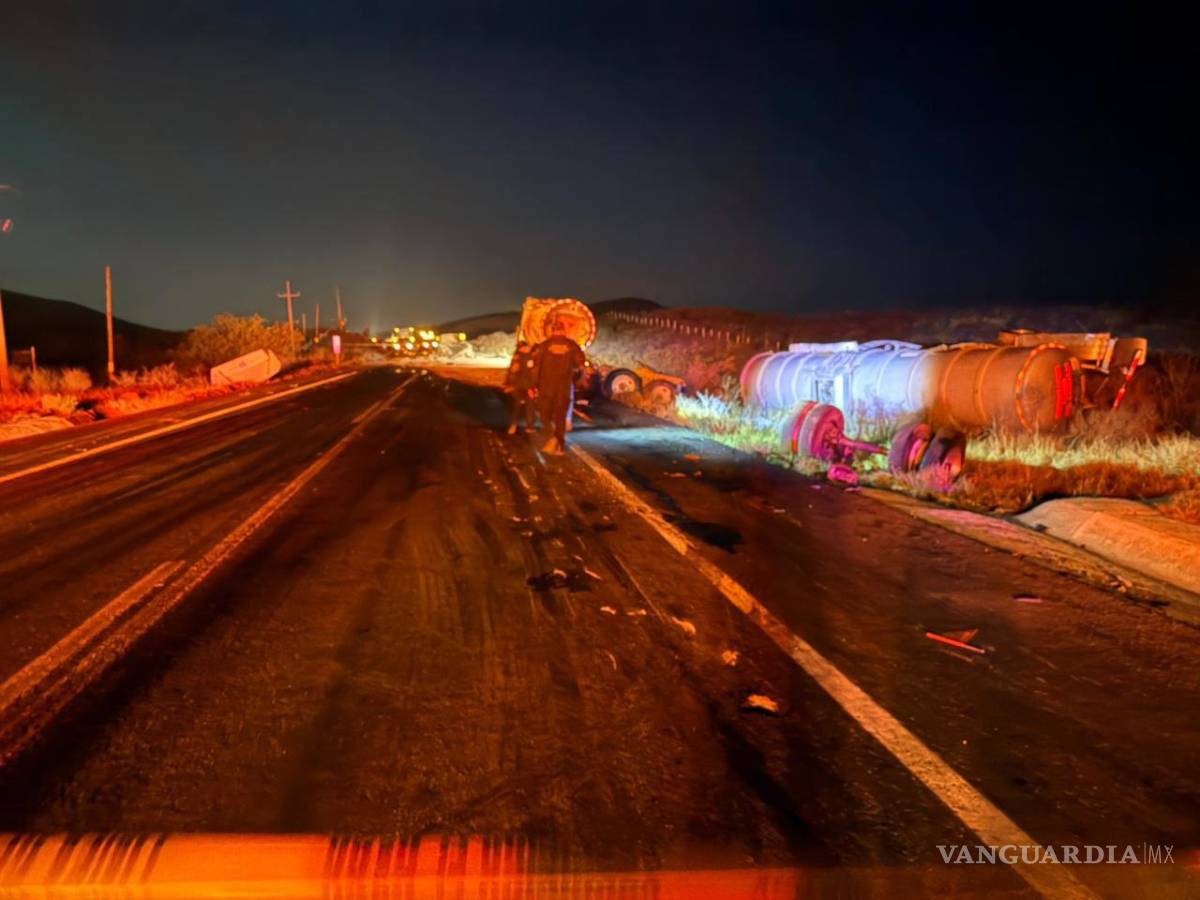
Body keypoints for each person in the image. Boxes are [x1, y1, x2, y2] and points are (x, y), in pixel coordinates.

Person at [531, 317, 586, 454]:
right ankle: (559, 445)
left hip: (546, 388)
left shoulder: (543, 346)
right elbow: (580, 366)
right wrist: (578, 380)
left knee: (545, 415)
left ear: (553, 330)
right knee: (560, 417)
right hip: (563, 389)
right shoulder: (573, 346)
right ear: (564, 331)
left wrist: (533, 386)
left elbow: (535, 368)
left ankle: (553, 437)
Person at [504, 339, 537, 434]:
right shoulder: (528, 358)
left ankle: (513, 426)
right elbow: (529, 374)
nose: (528, 348)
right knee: (530, 407)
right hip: (525, 386)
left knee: (516, 407)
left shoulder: (516, 358)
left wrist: (508, 384)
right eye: (527, 347)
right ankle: (529, 426)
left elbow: (511, 372)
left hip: (517, 386)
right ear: (523, 348)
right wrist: (531, 388)